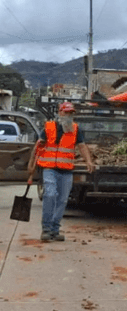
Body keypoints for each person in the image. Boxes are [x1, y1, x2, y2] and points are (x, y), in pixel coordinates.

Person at [27, 101, 96, 242]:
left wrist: (88, 161)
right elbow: (37, 147)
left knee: (63, 200)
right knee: (50, 194)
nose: (68, 116)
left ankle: (55, 230)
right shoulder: (49, 127)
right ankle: (46, 229)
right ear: (60, 113)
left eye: (71, 113)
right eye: (66, 112)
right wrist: (31, 165)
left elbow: (82, 147)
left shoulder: (75, 129)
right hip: (49, 168)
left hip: (66, 170)